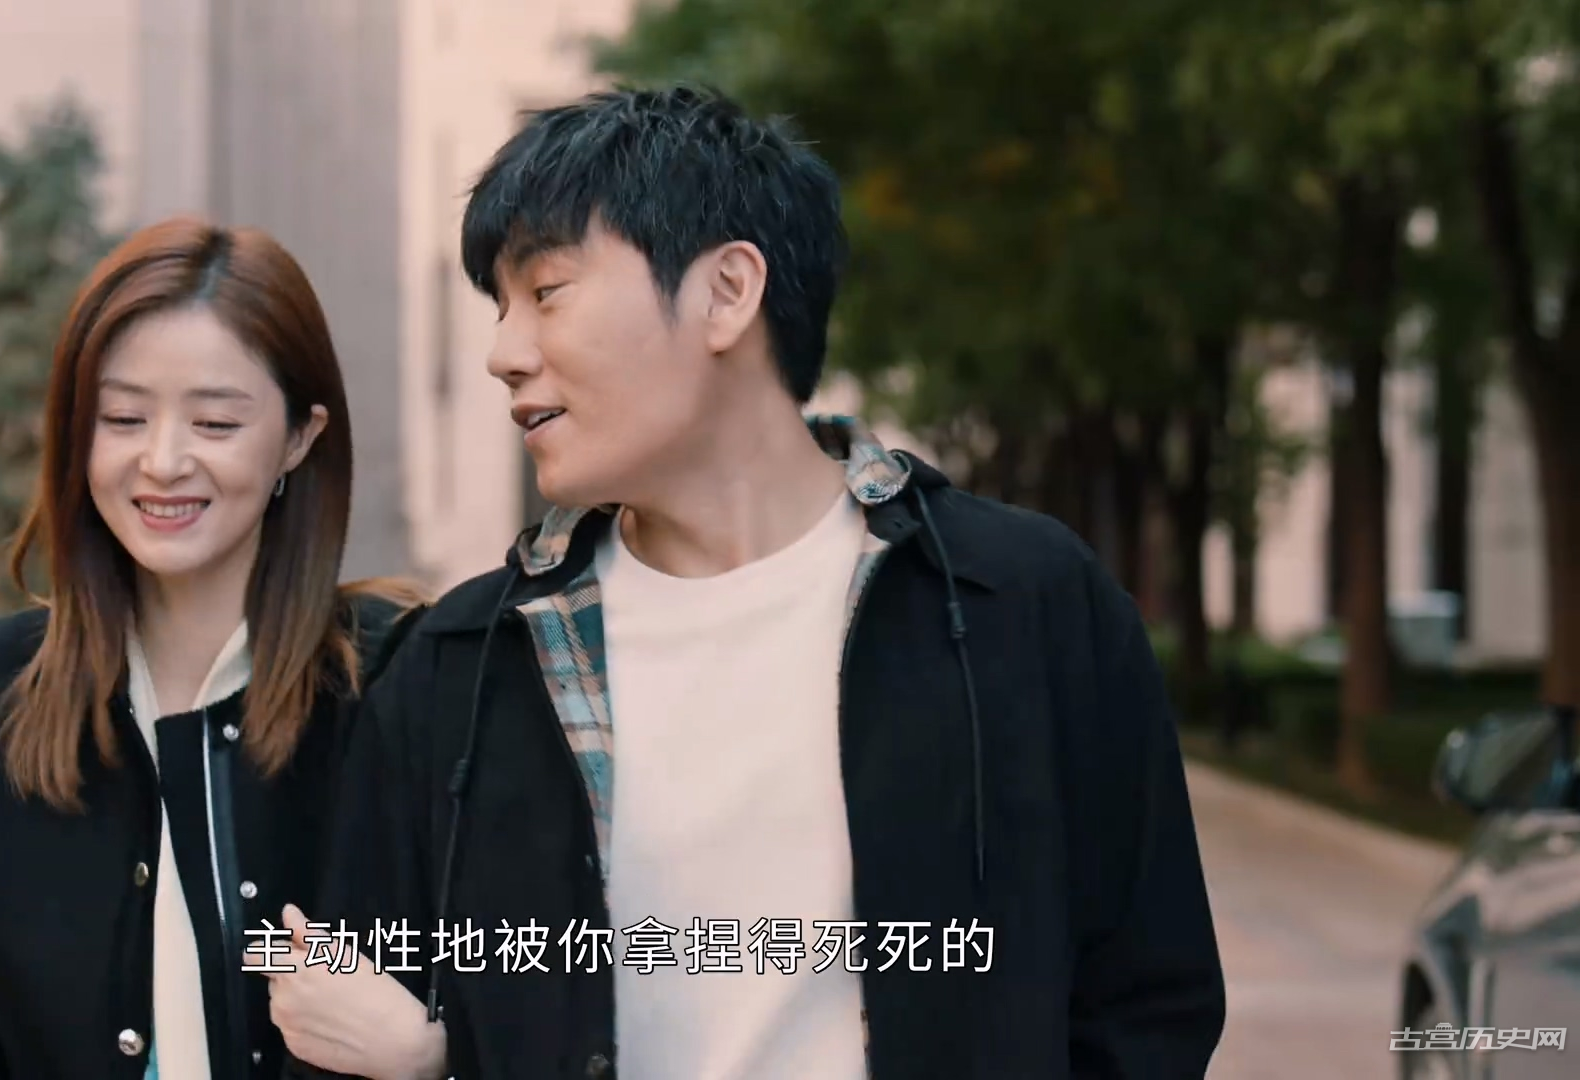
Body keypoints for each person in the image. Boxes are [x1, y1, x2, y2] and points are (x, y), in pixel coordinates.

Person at [293, 85, 1227, 1079]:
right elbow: (348, 1026)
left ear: (728, 291)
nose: (503, 354)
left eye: (548, 291)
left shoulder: (1020, 603)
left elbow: (1149, 1003)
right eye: (500, 308)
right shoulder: (460, 666)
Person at [0, 216, 443, 1080]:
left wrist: (430, 1055)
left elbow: (521, 999)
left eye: (215, 422)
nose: (162, 461)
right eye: (123, 417)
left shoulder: (403, 682)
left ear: (300, 436)